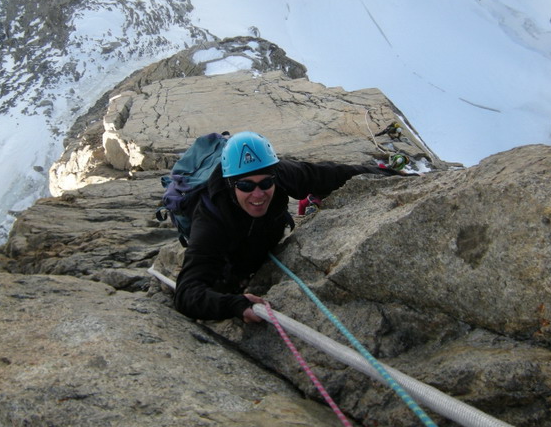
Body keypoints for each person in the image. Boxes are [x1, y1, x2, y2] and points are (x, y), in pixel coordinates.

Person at [173, 131, 414, 323]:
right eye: (246, 186)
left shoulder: (283, 174)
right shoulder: (211, 220)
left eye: (266, 183)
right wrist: (234, 304)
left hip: (267, 234)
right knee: (224, 281)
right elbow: (186, 294)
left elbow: (334, 174)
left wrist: (395, 176)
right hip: (231, 255)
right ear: (229, 184)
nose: (258, 194)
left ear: (274, 175)